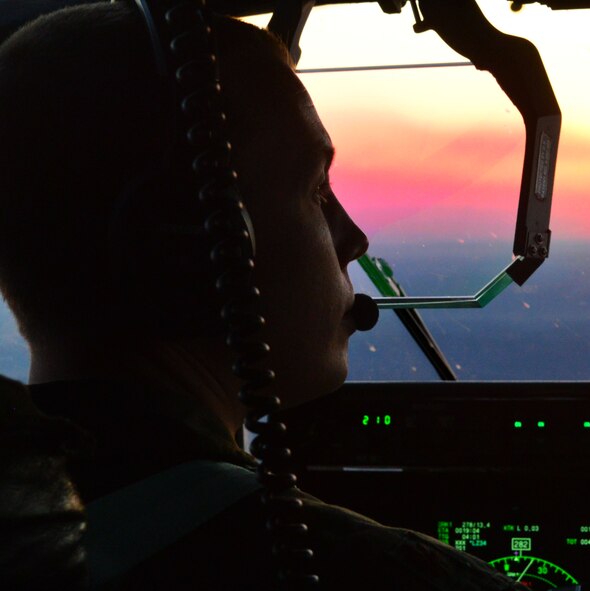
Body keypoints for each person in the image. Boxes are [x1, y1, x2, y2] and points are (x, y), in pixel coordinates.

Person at [0, 3, 522, 589]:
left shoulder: (22, 515)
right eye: (316, 187)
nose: (353, 238)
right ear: (190, 242)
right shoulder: (375, 573)